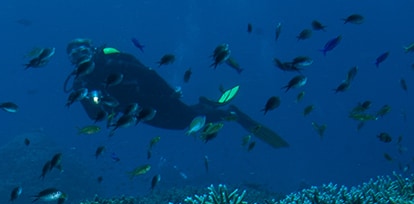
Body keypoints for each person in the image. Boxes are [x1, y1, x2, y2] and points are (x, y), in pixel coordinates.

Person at [64, 39, 288, 148]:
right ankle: (210, 107)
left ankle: (232, 113)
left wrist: (170, 93)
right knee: (185, 123)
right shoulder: (81, 83)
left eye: (82, 50)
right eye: (73, 54)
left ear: (92, 50)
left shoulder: (112, 61)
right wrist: (86, 99)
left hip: (155, 99)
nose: (78, 55)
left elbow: (147, 74)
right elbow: (95, 117)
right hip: (136, 113)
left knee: (189, 121)